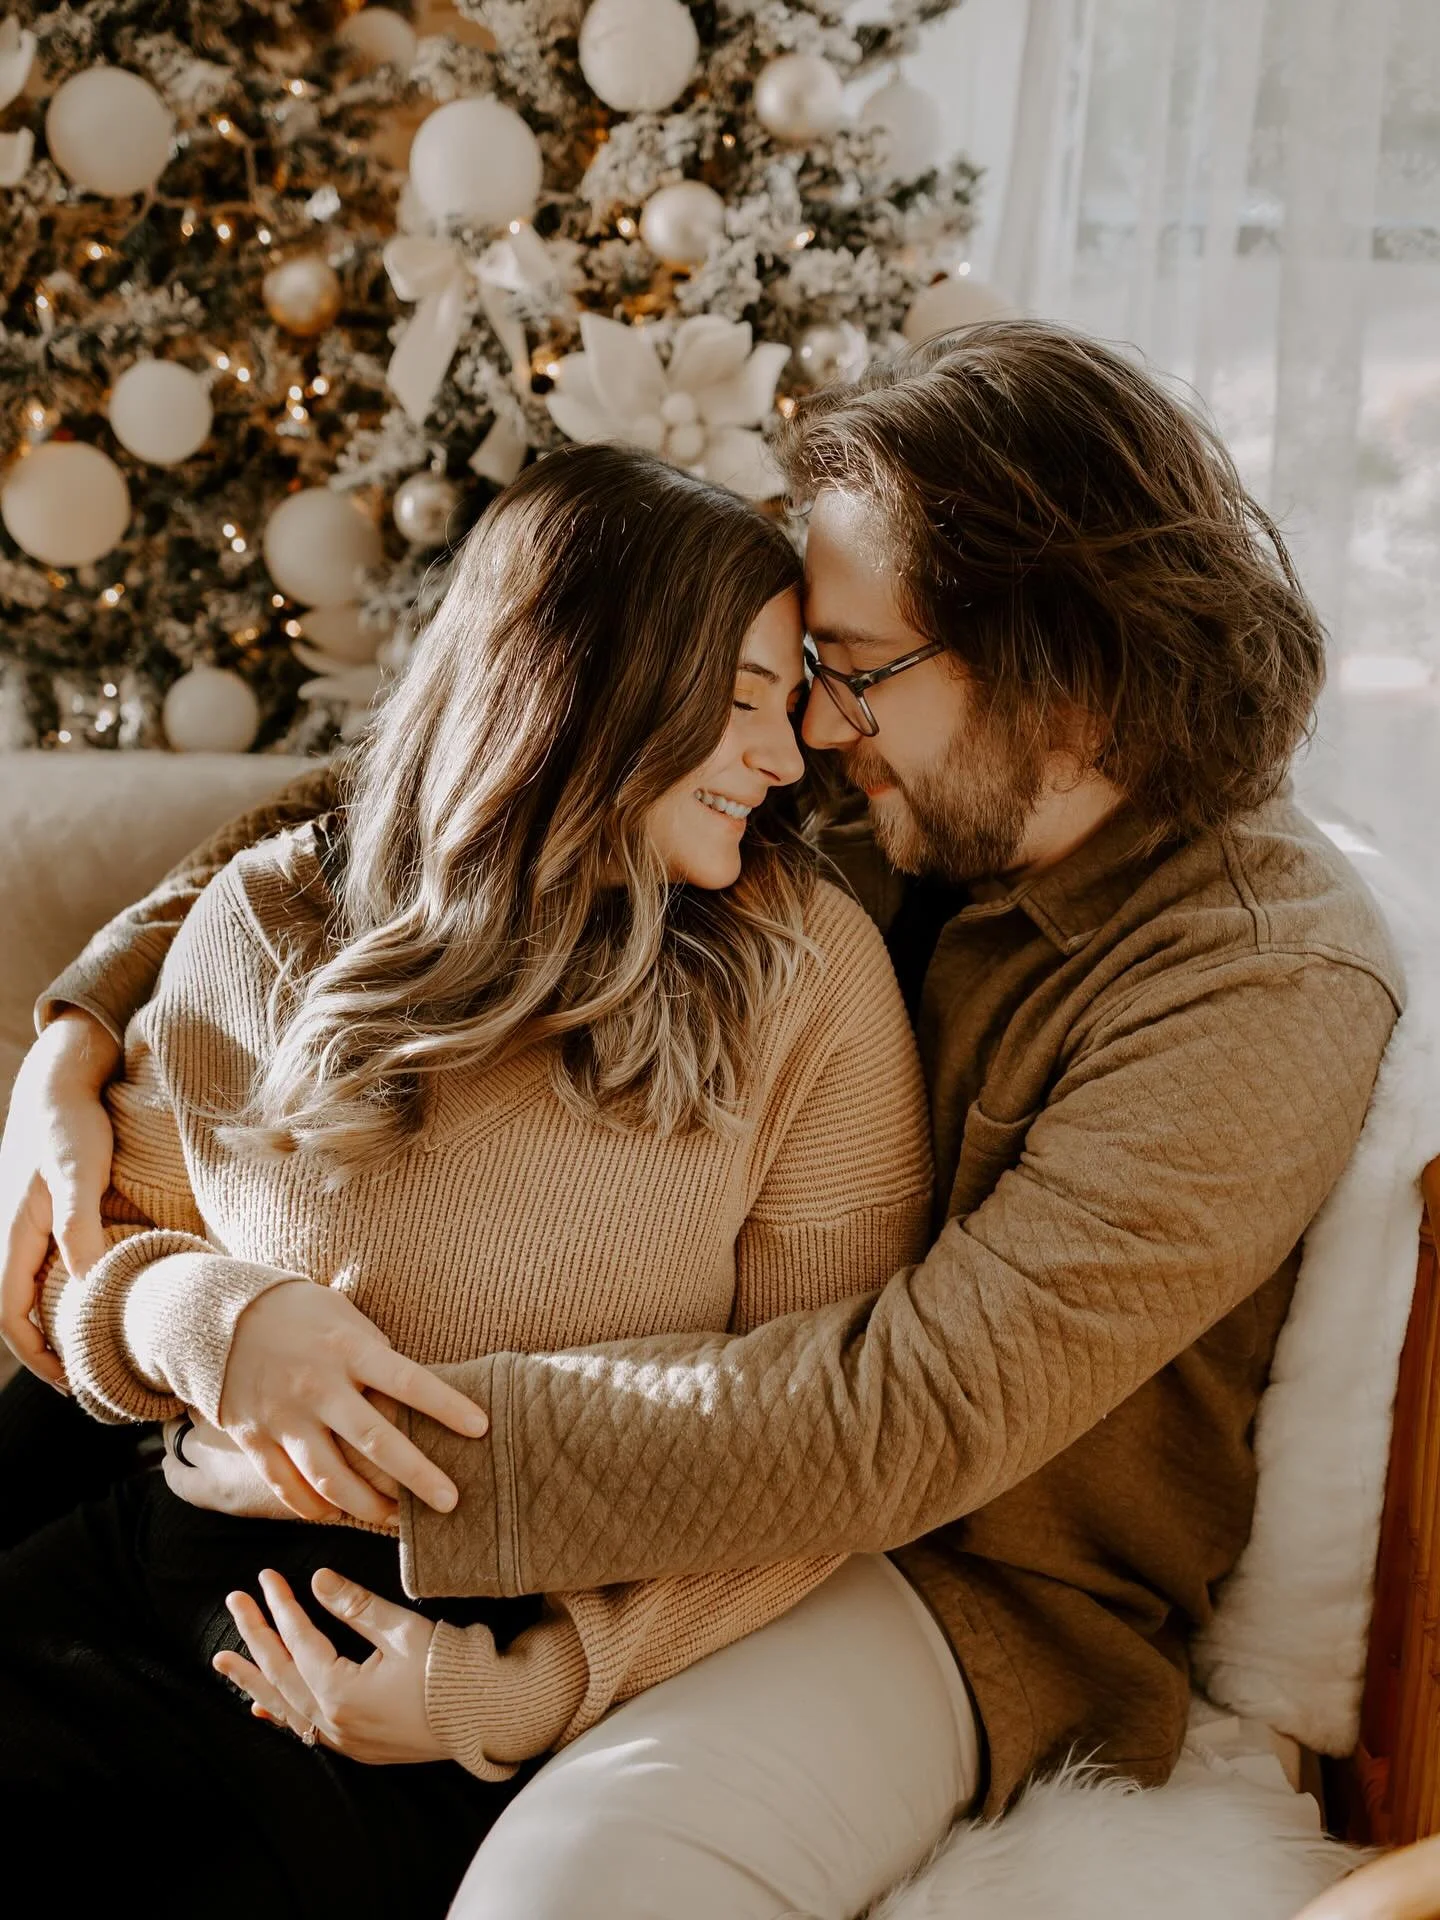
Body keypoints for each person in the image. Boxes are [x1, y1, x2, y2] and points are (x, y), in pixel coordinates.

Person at [1, 321, 1403, 1919]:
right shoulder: (889, 790)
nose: (813, 729)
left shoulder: (1261, 979)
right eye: (810, 680)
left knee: (579, 1888)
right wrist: (81, 1028)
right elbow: (433, 797)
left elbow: (908, 1412)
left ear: (1053, 663)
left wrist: (358, 1434)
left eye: (855, 674)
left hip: (964, 1578)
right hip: (522, 1473)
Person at [0, 443, 944, 1917]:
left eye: (793, 704)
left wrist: (519, 1690)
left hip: (422, 1672)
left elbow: (820, 1455)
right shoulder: (271, 916)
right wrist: (210, 1321)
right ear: (581, 685)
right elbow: (84, 1268)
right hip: (166, 1547)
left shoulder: (808, 977)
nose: (787, 755)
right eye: (743, 700)